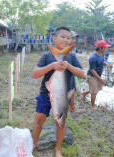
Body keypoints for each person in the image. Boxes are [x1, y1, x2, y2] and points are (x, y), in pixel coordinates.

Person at [32, 27, 84, 157]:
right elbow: (34, 74)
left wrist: (68, 65)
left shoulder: (71, 57)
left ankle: (57, 149)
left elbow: (82, 74)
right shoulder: (46, 56)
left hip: (62, 97)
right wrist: (52, 66)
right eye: (63, 37)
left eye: (68, 38)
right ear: (54, 38)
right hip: (46, 94)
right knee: (39, 119)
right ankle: (34, 143)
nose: (66, 40)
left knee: (60, 123)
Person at [82, 40, 110, 109]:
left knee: (96, 89)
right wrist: (100, 80)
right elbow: (92, 70)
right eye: (105, 47)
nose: (106, 49)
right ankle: (93, 105)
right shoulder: (93, 58)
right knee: (94, 91)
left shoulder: (102, 54)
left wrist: (105, 64)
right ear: (100, 48)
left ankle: (84, 93)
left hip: (98, 75)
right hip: (92, 76)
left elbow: (101, 62)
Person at [69, 31, 81, 113]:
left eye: (75, 38)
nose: (74, 40)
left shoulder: (72, 51)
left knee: (72, 90)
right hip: (66, 76)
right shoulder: (68, 51)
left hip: (70, 75)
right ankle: (72, 108)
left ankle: (72, 107)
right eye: (72, 38)